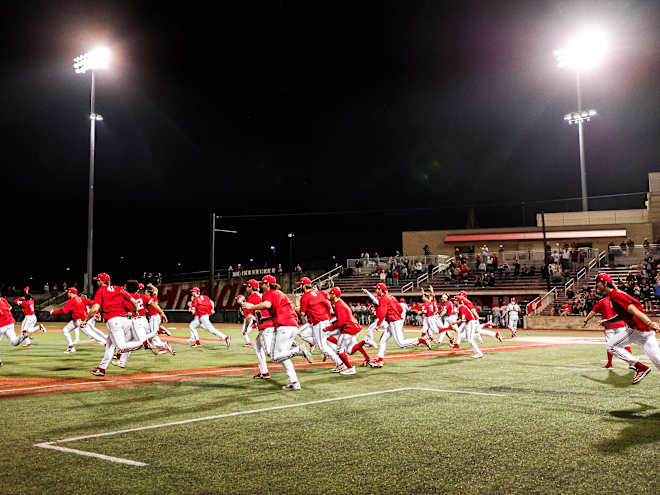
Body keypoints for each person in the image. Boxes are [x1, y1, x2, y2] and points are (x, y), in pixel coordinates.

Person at [241, 275, 312, 390]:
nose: (261, 286)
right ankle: (294, 382)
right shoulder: (280, 293)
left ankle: (298, 350)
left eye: (263, 283)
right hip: (293, 325)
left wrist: (252, 306)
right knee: (283, 356)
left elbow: (267, 305)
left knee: (274, 357)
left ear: (267, 284)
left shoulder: (269, 293)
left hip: (284, 326)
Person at [81, 272, 158, 377]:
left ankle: (143, 344)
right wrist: (134, 312)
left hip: (114, 321)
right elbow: (134, 302)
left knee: (120, 347)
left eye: (98, 280)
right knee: (109, 345)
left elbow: (94, 309)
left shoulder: (101, 290)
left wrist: (85, 321)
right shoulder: (119, 289)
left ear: (102, 281)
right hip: (126, 319)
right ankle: (101, 369)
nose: (97, 282)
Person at [594, 272, 660, 384]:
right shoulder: (614, 295)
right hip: (645, 332)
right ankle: (640, 367)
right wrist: (608, 321)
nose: (596, 285)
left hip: (638, 329)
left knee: (611, 345)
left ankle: (640, 367)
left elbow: (633, 310)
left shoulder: (616, 295)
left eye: (598, 283)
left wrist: (649, 322)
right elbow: (623, 314)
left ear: (605, 284)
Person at [363, 284, 431, 368]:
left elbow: (383, 313)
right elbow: (400, 309)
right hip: (394, 321)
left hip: (394, 322)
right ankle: (380, 361)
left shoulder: (384, 298)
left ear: (381, 290)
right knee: (382, 341)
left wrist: (379, 324)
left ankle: (421, 340)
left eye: (377, 289)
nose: (376, 291)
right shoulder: (392, 297)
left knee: (401, 343)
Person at [325, 287, 376, 374]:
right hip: (353, 326)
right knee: (349, 351)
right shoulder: (339, 303)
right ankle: (364, 342)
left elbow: (340, 322)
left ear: (334, 295)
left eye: (330, 294)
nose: (329, 295)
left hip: (349, 328)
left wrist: (327, 328)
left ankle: (350, 368)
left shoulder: (338, 304)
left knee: (339, 350)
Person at [297, 277, 343, 372]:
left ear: (304, 286)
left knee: (323, 346)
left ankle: (340, 363)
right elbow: (327, 298)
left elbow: (302, 314)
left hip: (319, 321)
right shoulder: (320, 292)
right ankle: (320, 344)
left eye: (300, 285)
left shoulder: (305, 296)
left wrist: (295, 308)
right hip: (323, 320)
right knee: (302, 333)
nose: (300, 287)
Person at [584, 295, 634, 369]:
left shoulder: (602, 301)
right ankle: (631, 363)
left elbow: (593, 312)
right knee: (625, 344)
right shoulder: (619, 299)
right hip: (620, 324)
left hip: (609, 326)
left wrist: (586, 320)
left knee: (610, 345)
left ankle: (609, 364)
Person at [51, 287, 107, 352]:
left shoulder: (71, 301)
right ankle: (71, 347)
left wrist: (53, 312)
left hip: (81, 321)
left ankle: (105, 343)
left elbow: (64, 311)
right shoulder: (81, 299)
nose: (67, 294)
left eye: (68, 292)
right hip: (77, 320)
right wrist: (97, 312)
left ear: (71, 293)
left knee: (91, 335)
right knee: (65, 330)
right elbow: (94, 303)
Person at [0, 296, 32, 366]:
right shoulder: (2, 299)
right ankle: (22, 336)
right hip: (10, 323)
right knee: (14, 342)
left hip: (1, 325)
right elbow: (10, 308)